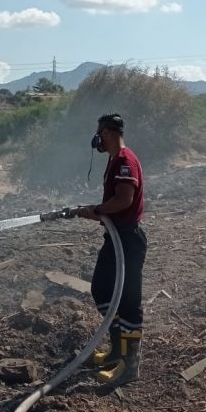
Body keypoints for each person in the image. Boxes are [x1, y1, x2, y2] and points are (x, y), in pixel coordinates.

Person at [76, 113, 147, 386]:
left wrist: (98, 210)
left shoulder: (125, 160)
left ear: (107, 132)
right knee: (103, 291)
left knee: (128, 303)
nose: (96, 138)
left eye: (99, 132)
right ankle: (117, 350)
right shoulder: (115, 160)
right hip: (115, 238)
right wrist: (97, 211)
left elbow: (124, 199)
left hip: (127, 241)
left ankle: (129, 367)